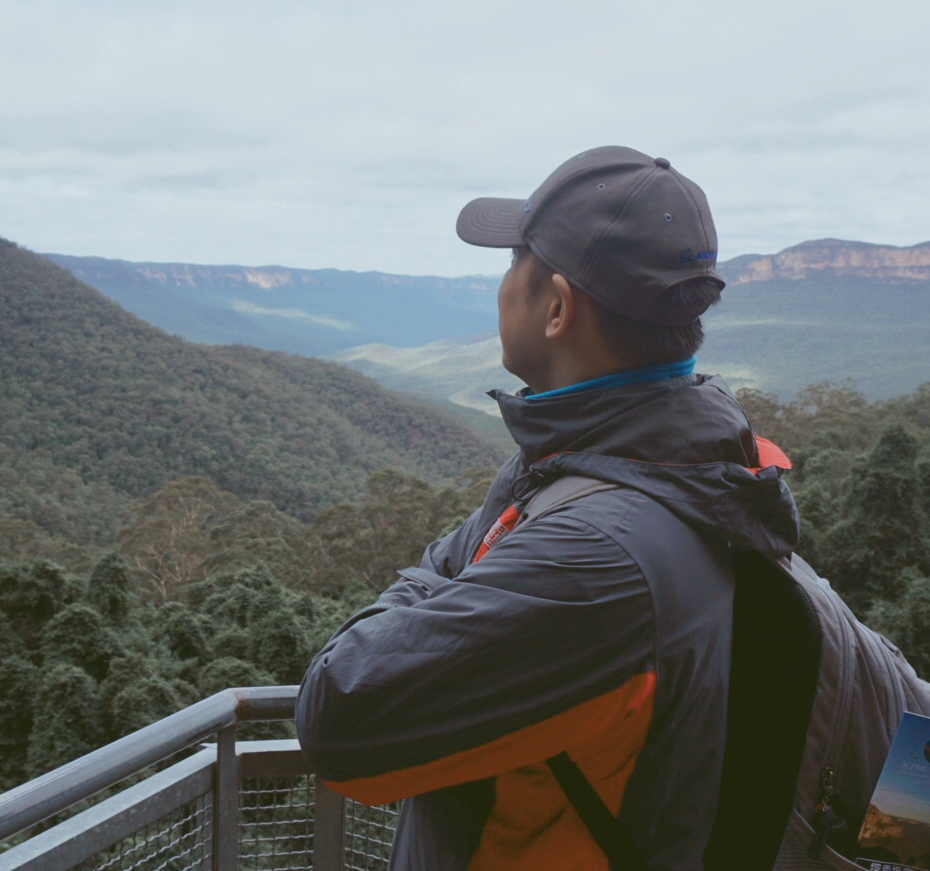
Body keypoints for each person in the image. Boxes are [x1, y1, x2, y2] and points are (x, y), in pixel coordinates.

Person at [294, 145, 798, 870]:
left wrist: (442, 575)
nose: (500, 289)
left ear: (556, 306)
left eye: (511, 266)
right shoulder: (689, 463)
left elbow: (336, 717)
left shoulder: (596, 553)